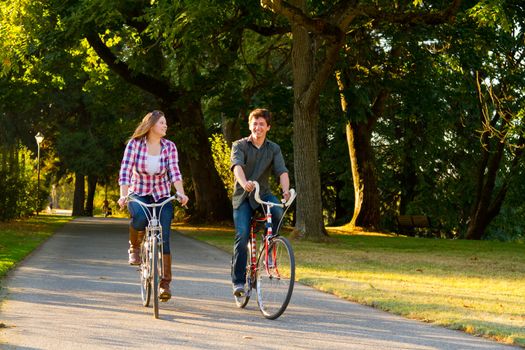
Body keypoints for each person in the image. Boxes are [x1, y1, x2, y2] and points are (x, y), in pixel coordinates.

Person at [118, 110, 189, 301]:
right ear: (151, 126)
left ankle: (164, 284)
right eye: (162, 123)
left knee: (164, 236)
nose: (165, 126)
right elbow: (125, 171)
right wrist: (123, 195)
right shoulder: (134, 145)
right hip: (138, 192)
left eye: (166, 123)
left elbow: (175, 172)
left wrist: (180, 192)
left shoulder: (169, 147)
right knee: (140, 217)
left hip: (161, 194)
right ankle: (134, 246)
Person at [230, 108, 291, 296]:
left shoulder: (274, 148)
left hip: (263, 194)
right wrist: (244, 182)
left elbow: (282, 171)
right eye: (254, 123)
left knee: (278, 212)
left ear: (268, 127)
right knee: (242, 235)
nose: (258, 127)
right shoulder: (239, 145)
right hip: (243, 196)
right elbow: (237, 167)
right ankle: (238, 282)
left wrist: (286, 191)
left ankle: (270, 248)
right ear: (250, 126)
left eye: (262, 124)